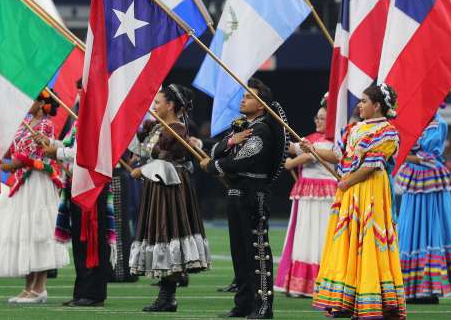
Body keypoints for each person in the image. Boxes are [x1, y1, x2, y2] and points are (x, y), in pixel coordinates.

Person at [310, 83, 406, 319]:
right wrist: (311, 148)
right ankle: (345, 301)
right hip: (352, 191)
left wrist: (347, 182)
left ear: (377, 105)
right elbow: (337, 154)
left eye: (364, 101)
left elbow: (373, 165)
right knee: (348, 240)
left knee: (370, 241)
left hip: (371, 191)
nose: (359, 105)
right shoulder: (354, 128)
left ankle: (373, 300)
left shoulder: (388, 132)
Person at [200, 78, 290, 319]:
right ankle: (243, 303)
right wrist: (230, 141)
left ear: (261, 104)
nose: (243, 99)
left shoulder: (261, 129)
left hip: (253, 194)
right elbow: (216, 148)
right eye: (244, 95)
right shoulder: (240, 127)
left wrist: (213, 167)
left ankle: (263, 305)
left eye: (249, 96)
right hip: (235, 193)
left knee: (257, 250)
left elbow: (243, 159)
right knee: (239, 252)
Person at [129, 84, 210, 312]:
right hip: (157, 187)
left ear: (170, 105)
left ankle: (168, 296)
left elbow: (164, 161)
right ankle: (166, 295)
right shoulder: (159, 127)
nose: (154, 107)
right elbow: (144, 150)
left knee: (168, 233)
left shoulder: (176, 129)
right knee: (161, 235)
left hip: (170, 188)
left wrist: (140, 171)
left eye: (157, 103)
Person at [41, 84, 113, 307]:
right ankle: (82, 290)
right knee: (80, 242)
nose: (79, 95)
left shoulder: (97, 119)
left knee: (93, 240)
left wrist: (57, 152)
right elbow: (72, 146)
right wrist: (52, 145)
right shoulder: (80, 120)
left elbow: (86, 152)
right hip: (75, 185)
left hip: (92, 187)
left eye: (83, 90)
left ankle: (93, 293)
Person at [0, 90, 69, 304]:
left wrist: (11, 164)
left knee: (39, 231)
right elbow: (15, 150)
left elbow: (32, 155)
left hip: (38, 182)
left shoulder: (46, 126)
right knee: (25, 233)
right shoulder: (24, 123)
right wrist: (3, 154)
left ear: (40, 104)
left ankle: (40, 287)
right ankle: (29, 287)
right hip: (24, 184)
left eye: (31, 99)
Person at [395, 112, 451, 304]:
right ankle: (409, 286)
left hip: (430, 180)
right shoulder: (412, 120)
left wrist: (405, 154)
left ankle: (428, 287)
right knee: (410, 228)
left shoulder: (440, 124)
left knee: (430, 229)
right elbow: (404, 151)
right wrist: (405, 153)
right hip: (414, 179)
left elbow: (427, 156)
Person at [275, 94, 337, 298]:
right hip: (306, 192)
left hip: (326, 195)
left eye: (322, 118)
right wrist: (277, 138)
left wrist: (293, 162)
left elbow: (312, 155)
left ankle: (322, 280)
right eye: (316, 118)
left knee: (321, 234)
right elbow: (292, 147)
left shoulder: (335, 141)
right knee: (304, 233)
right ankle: (300, 283)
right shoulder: (309, 139)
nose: (317, 121)